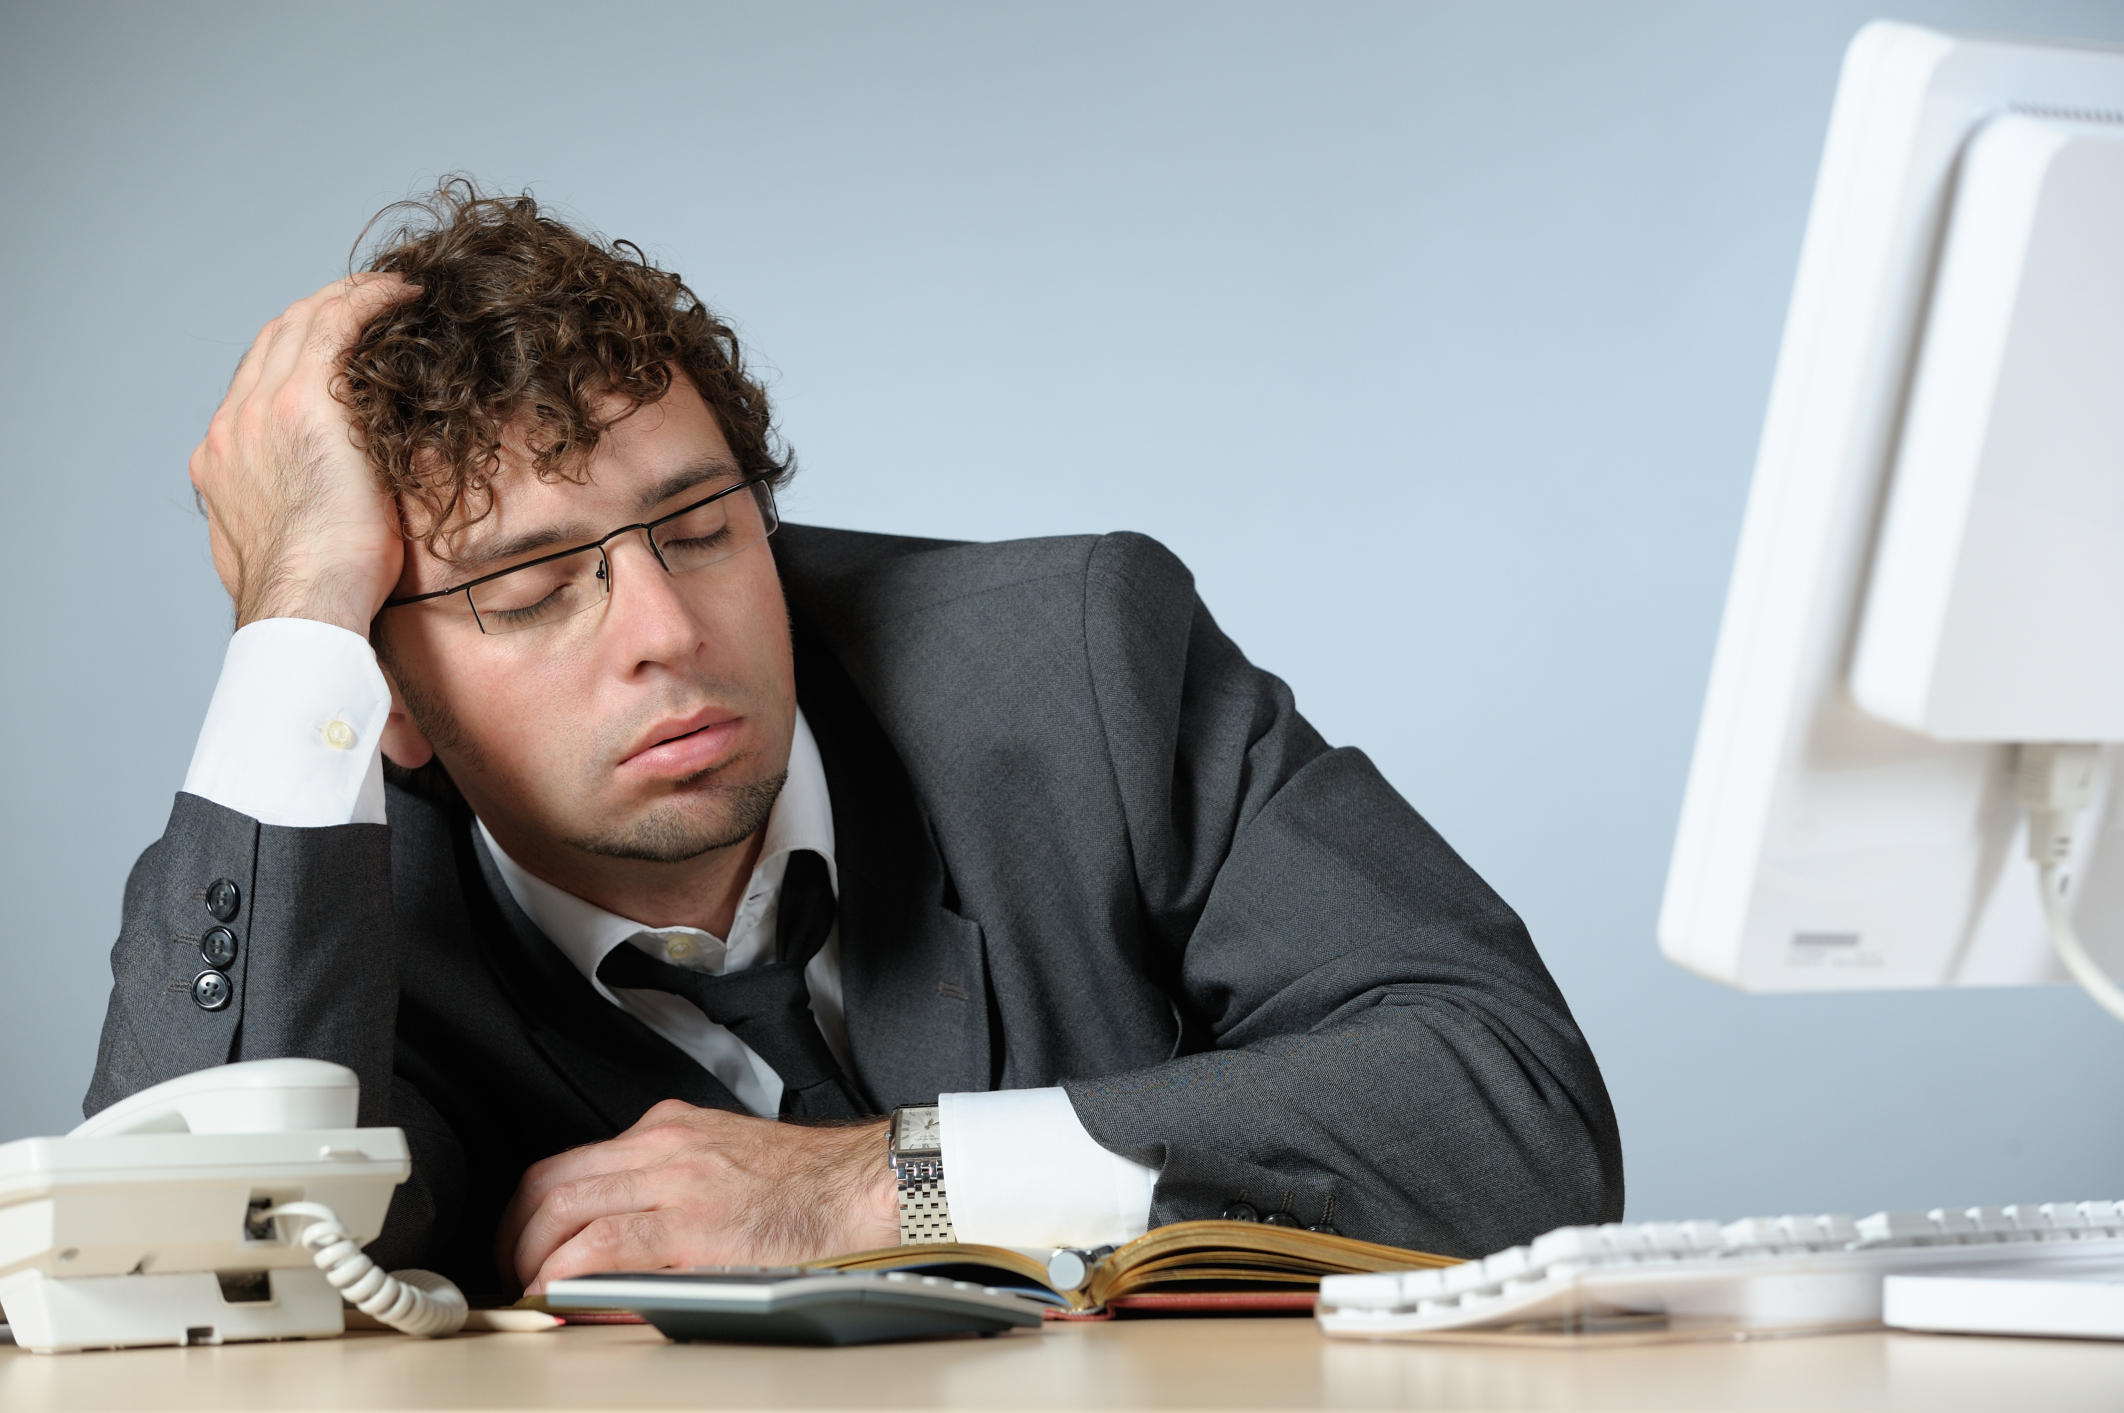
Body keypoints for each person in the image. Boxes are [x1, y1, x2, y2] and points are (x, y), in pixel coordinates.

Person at [87, 182, 1623, 1302]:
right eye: (537, 588)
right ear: (393, 696)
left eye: (700, 527)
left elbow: (1515, 1114)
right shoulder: (325, 890)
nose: (666, 631)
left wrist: (879, 1182)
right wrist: (295, 613)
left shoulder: (1075, 663)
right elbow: (172, 1285)